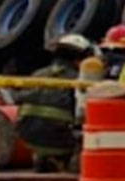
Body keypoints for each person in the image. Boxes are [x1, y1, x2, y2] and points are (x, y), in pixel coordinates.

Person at [15, 34, 92, 172]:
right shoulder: (77, 79)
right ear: (78, 59)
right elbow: (82, 113)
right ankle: (70, 163)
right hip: (59, 138)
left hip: (28, 137)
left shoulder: (38, 74)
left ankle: (46, 159)